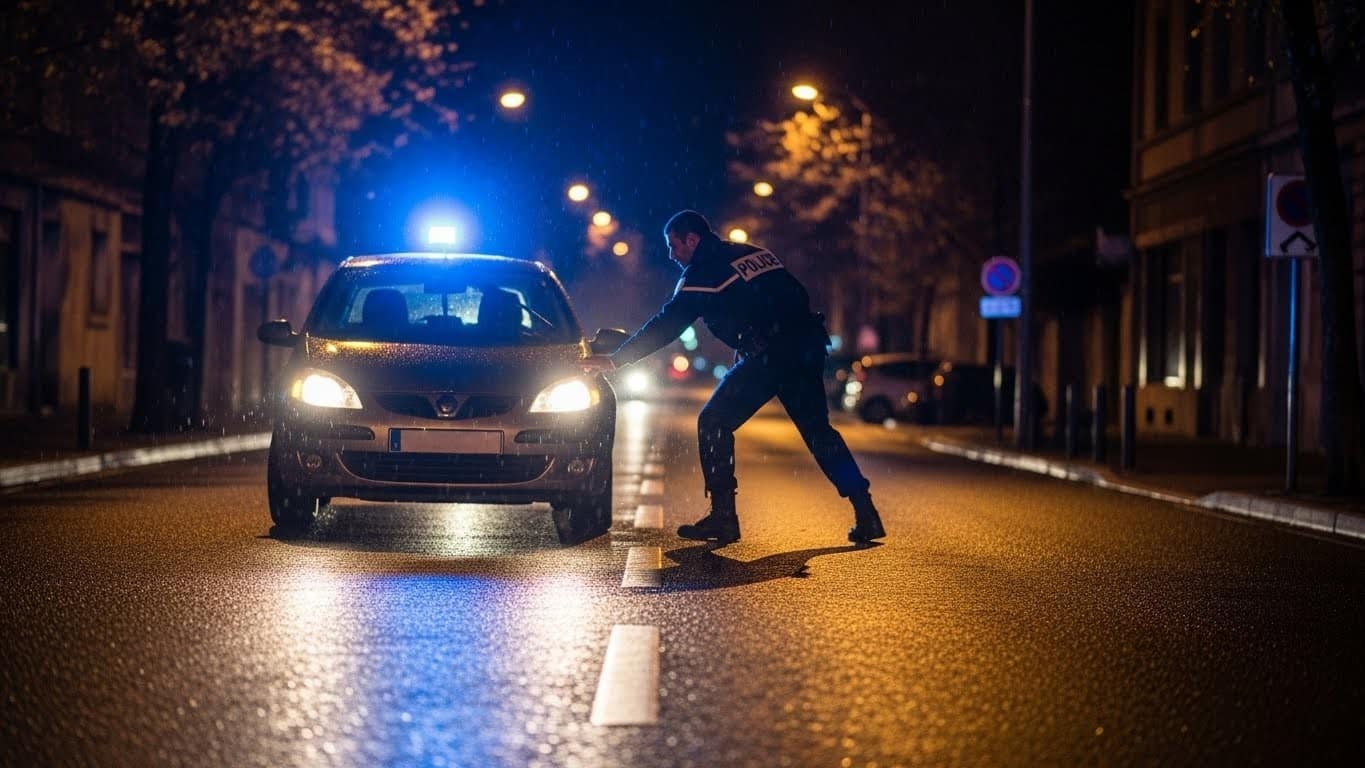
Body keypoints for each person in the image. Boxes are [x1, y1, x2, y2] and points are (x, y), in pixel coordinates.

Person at [581, 210, 885, 546]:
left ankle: (724, 517)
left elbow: (666, 325)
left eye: (674, 245)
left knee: (713, 422)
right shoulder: (753, 254)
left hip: (770, 357)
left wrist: (616, 359)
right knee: (819, 433)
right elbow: (796, 295)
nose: (671, 254)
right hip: (805, 348)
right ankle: (866, 512)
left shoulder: (703, 274)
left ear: (692, 240)